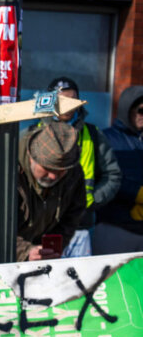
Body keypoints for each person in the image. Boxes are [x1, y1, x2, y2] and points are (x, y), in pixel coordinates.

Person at [0, 121, 85, 264]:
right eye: (48, 168)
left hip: (29, 262)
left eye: (60, 171)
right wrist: (24, 251)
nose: (53, 176)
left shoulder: (72, 173)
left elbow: (72, 215)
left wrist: (48, 248)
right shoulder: (2, 170)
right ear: (31, 155)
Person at [20, 77, 120, 257]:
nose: (67, 105)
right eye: (61, 99)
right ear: (51, 100)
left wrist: (90, 200)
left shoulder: (93, 134)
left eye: (72, 99)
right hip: (36, 228)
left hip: (80, 225)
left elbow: (112, 175)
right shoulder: (32, 135)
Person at [99, 86, 143, 253]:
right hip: (115, 227)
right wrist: (137, 193)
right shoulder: (107, 138)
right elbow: (106, 177)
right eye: (141, 110)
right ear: (128, 109)